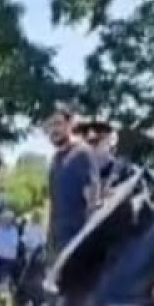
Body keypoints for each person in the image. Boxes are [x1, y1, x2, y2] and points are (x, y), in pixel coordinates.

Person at [45, 105, 100, 253]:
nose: (53, 130)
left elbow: (92, 199)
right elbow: (53, 203)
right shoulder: (55, 161)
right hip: (58, 240)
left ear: (70, 124)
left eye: (57, 124)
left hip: (77, 239)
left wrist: (88, 238)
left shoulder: (82, 153)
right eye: (49, 126)